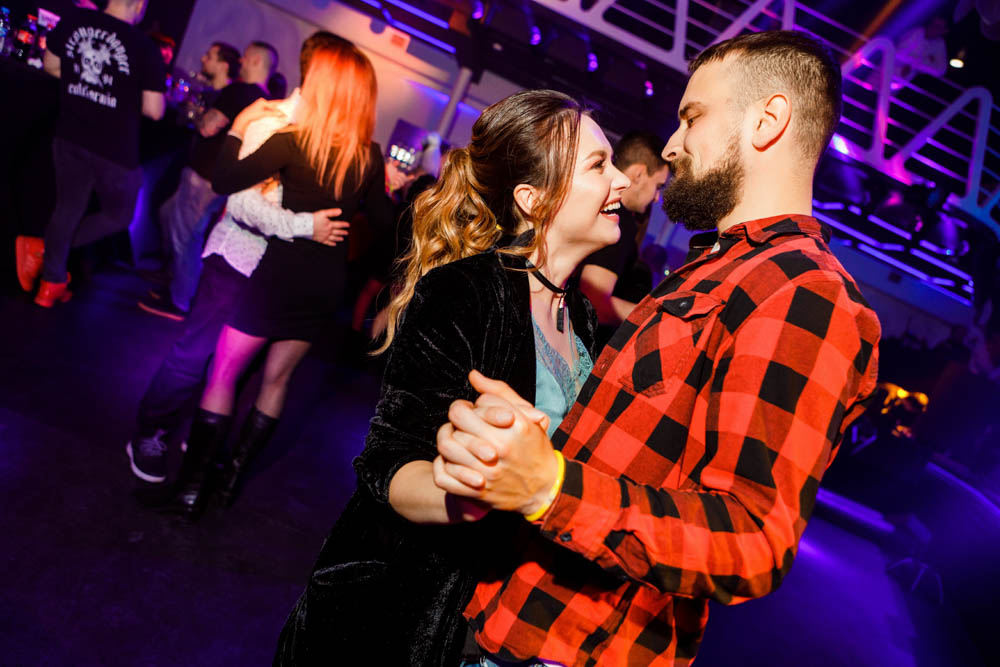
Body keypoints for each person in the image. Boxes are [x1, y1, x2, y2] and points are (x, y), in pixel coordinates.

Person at [434, 30, 882, 666]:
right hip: (516, 618)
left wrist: (548, 486)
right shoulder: (720, 270)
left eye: (692, 117)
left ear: (768, 120)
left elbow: (752, 536)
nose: (672, 145)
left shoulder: (804, 295)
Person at [273, 89, 630, 664]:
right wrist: (474, 492)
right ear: (534, 199)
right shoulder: (465, 291)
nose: (622, 181)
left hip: (489, 617)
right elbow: (389, 466)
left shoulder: (582, 316)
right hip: (387, 618)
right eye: (598, 165)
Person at [153, 36, 393, 518]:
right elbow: (388, 227)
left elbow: (225, 180)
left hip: (278, 274)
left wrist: (240, 128)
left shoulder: (293, 140)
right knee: (277, 382)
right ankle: (227, 487)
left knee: (224, 373)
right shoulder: (369, 156)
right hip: (325, 284)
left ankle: (190, 492)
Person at [126, 32, 347, 485]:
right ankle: (150, 432)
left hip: (276, 273)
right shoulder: (269, 121)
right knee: (195, 354)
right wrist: (307, 225)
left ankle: (199, 436)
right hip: (237, 258)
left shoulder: (328, 139)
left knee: (233, 369)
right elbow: (243, 204)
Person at [14, 0, 165, 307]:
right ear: (138, 4)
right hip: (115, 150)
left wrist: (86, 85)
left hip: (70, 133)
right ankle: (45, 254)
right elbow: (155, 110)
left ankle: (51, 281)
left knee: (67, 208)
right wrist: (120, 94)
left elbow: (50, 66)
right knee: (119, 215)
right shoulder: (144, 46)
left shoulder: (75, 19)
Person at [139, 41, 273, 321]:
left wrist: (196, 115)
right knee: (169, 215)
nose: (241, 62)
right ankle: (175, 279)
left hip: (204, 174)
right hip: (222, 179)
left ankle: (180, 301)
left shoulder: (239, 91)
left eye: (246, 57)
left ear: (258, 62)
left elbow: (209, 127)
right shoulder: (267, 104)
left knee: (187, 236)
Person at [578, 130, 669, 348]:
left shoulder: (600, 209)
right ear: (639, 174)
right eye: (658, 186)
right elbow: (593, 301)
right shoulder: (618, 220)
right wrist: (656, 318)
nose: (657, 198)